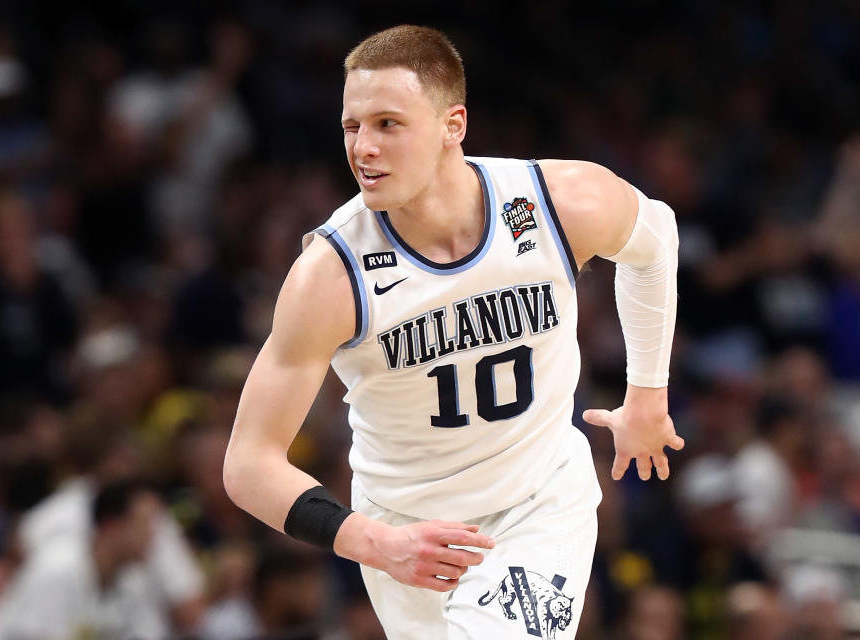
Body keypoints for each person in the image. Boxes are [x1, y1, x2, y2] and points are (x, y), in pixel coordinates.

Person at [224, 25, 683, 639]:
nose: (364, 148)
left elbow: (655, 242)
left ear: (453, 125)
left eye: (388, 123)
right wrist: (375, 542)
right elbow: (248, 463)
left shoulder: (555, 203)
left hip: (536, 502)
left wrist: (648, 394)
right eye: (352, 127)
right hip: (403, 529)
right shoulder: (331, 276)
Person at [0, 479, 168, 640]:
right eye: (145, 524)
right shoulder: (58, 566)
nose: (152, 535)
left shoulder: (131, 581)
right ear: (112, 524)